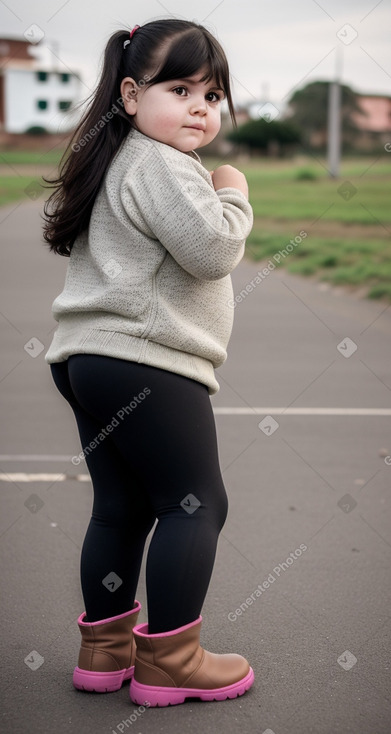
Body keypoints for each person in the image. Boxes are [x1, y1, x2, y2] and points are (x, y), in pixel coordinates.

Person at [43, 19, 254, 707]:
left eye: (213, 94)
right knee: (196, 504)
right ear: (131, 95)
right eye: (180, 87)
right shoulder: (162, 163)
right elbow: (213, 251)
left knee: (122, 505)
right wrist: (232, 192)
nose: (200, 106)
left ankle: (104, 651)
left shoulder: (116, 157)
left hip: (89, 360)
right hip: (146, 362)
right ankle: (172, 659)